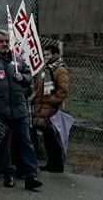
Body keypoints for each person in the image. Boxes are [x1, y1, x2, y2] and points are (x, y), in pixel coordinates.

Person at [0, 31, 41, 190]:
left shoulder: (18, 59)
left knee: (26, 142)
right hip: (0, 110)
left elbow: (29, 76)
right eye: (1, 41)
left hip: (19, 109)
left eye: (7, 41)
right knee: (3, 146)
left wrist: (24, 78)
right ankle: (8, 174)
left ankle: (31, 175)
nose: (5, 44)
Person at [31, 40, 70, 174]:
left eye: (47, 54)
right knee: (47, 138)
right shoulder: (45, 70)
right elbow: (38, 87)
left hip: (51, 108)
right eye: (45, 54)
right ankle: (50, 162)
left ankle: (57, 164)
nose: (45, 56)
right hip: (41, 106)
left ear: (54, 54)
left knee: (53, 138)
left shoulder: (60, 70)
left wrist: (53, 101)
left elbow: (63, 89)